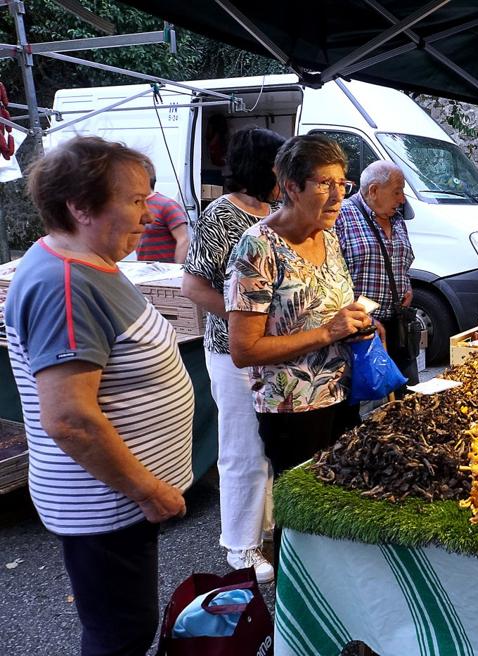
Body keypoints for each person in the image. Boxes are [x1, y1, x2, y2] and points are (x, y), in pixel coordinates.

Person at [4, 136, 193, 656]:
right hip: (105, 502)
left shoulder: (91, 264)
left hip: (118, 501)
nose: (149, 214)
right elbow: (70, 419)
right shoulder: (63, 283)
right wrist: (148, 491)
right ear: (80, 207)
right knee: (120, 634)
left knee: (127, 625)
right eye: (134, 200)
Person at [226, 134, 373, 476]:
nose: (338, 196)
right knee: (301, 514)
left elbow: (331, 305)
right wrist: (326, 333)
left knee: (340, 508)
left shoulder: (328, 236)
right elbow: (244, 350)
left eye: (342, 183)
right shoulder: (258, 249)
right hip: (294, 410)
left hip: (341, 396)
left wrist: (357, 324)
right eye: (325, 183)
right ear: (292, 188)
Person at [182, 127, 285, 583]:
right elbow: (192, 285)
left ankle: (266, 530)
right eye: (280, 164)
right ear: (262, 167)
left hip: (272, 351)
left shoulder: (275, 213)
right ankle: (241, 547)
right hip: (231, 352)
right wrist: (240, 316)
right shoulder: (221, 215)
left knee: (267, 446)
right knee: (242, 447)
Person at [336, 160, 419, 393]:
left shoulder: (397, 219)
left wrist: (407, 287)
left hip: (398, 325)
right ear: (373, 190)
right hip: (362, 329)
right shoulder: (342, 216)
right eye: (397, 192)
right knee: (362, 400)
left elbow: (403, 261)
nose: (401, 199)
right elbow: (334, 276)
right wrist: (365, 315)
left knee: (409, 396)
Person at [135, 160, 190, 263]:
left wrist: (175, 271)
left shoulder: (167, 205)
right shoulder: (133, 205)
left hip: (164, 274)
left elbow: (183, 240)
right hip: (143, 271)